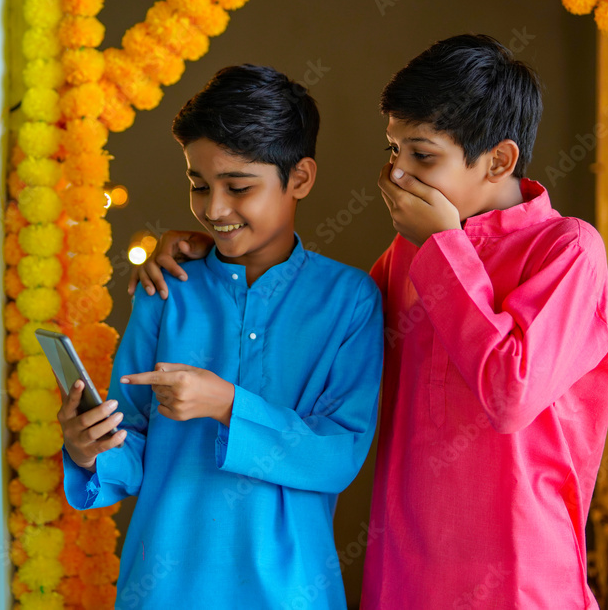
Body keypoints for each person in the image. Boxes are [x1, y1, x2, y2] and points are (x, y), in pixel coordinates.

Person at [131, 35, 608, 609]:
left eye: (422, 155)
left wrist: (441, 243)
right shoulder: (406, 258)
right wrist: (214, 248)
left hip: (521, 574)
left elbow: (510, 393)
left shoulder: (567, 251)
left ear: (500, 160)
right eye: (393, 151)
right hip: (405, 571)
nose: (397, 175)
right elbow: (318, 323)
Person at [58, 64, 384, 609]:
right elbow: (132, 442)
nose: (213, 209)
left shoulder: (350, 301)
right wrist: (88, 449)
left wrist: (228, 404)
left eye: (238, 187)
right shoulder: (168, 287)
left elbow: (337, 457)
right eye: (199, 185)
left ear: (299, 178)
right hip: (163, 588)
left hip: (288, 590)